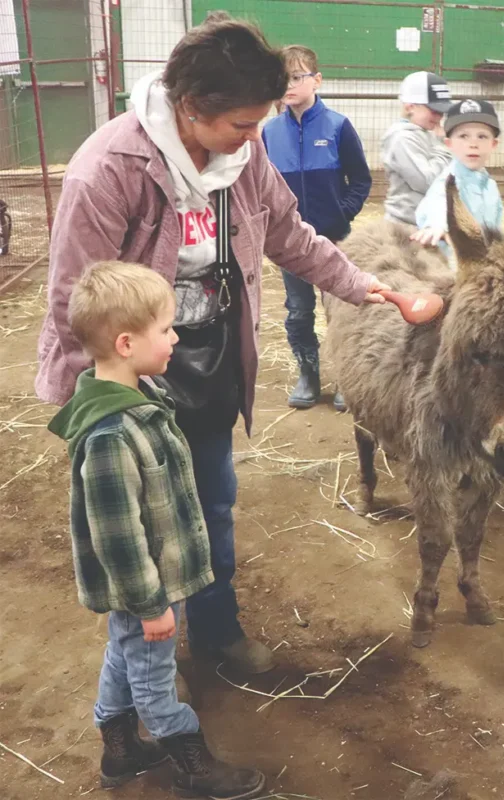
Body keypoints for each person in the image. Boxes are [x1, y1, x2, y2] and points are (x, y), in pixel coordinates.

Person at [36, 13, 390, 678]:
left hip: (206, 356)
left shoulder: (242, 160)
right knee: (142, 516)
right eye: (242, 124)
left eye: (260, 122)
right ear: (192, 107)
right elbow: (72, 300)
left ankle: (217, 634)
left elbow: (291, 235)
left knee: (211, 500)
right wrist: (110, 402)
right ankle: (146, 669)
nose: (255, 138)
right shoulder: (111, 169)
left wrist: (360, 286)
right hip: (127, 370)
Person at [47, 262, 266, 799]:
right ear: (125, 343)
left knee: (124, 654)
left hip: (147, 588)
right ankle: (191, 763)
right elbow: (119, 539)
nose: (176, 339)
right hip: (146, 590)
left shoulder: (137, 400)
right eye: (167, 329)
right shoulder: (110, 435)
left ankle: (119, 751)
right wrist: (151, 605)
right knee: (151, 676)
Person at [262, 45, 372, 412]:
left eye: (297, 77)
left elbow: (360, 179)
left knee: (339, 310)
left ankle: (344, 377)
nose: (289, 85)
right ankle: (308, 375)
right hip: (291, 244)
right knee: (298, 311)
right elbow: (263, 186)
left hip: (333, 239)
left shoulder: (338, 126)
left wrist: (341, 215)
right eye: (283, 79)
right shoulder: (269, 133)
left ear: (317, 80)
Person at [413, 98, 502, 253]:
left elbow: (495, 228)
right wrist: (436, 225)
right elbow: (439, 202)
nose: (473, 144)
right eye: (463, 136)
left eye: (482, 136)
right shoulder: (449, 182)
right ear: (449, 144)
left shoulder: (490, 187)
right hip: (453, 266)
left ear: (493, 144)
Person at [382, 71, 454, 226]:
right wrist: (444, 148)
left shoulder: (428, 132)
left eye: (442, 112)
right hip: (406, 226)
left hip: (428, 224)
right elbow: (426, 182)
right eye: (434, 111)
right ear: (410, 107)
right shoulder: (401, 138)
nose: (439, 117)